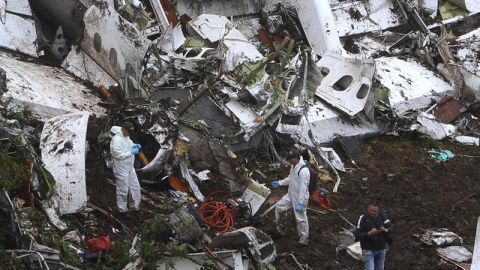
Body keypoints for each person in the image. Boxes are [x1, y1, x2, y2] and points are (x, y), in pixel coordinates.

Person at [271, 148, 310, 246]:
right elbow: (290, 178)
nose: (289, 161)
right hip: (291, 194)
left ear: (296, 158)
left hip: (300, 197)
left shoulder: (304, 170)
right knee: (279, 207)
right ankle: (281, 228)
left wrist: (300, 203)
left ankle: (304, 239)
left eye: (290, 159)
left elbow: (303, 188)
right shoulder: (294, 166)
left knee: (300, 219)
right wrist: (280, 183)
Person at [110, 122, 142, 214]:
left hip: (129, 166)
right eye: (128, 132)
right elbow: (117, 155)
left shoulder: (126, 136)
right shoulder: (116, 140)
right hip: (120, 167)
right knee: (122, 188)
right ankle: (122, 209)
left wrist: (134, 146)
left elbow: (129, 144)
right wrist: (131, 153)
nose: (129, 134)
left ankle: (136, 206)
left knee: (135, 186)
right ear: (124, 129)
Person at [354, 202, 394, 270]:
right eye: (371, 210)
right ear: (368, 209)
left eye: (375, 211)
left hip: (381, 249)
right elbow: (357, 234)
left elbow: (391, 227)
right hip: (368, 249)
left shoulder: (382, 216)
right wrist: (369, 233)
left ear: (378, 209)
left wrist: (385, 230)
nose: (373, 213)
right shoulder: (363, 218)